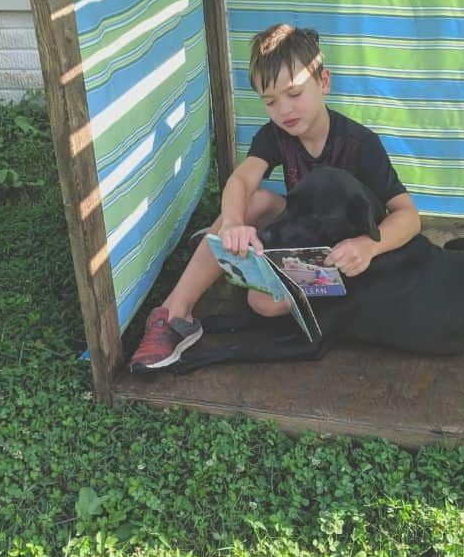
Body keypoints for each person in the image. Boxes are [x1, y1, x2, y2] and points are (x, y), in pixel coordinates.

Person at [129, 23, 421, 372]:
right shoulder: (276, 136)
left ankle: (228, 252)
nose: (285, 110)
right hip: (301, 236)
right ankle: (176, 313)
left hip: (346, 256)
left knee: (262, 304)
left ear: (323, 82)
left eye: (294, 94)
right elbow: (242, 180)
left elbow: (408, 215)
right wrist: (235, 222)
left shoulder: (360, 143)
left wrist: (369, 246)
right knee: (256, 202)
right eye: (271, 101)